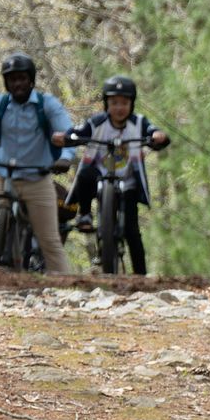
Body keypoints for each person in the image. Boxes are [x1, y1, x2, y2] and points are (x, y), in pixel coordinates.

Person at [0, 53, 83, 276]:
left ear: (31, 80)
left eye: (22, 78)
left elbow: (67, 133)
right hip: (4, 176)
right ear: (6, 83)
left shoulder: (47, 105)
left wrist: (66, 157)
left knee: (50, 241)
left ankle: (67, 288)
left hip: (38, 179)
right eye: (12, 79)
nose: (17, 84)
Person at [68, 76, 170, 276]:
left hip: (128, 182)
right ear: (106, 103)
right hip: (100, 178)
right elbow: (77, 132)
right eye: (114, 103)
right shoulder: (97, 123)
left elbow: (152, 131)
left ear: (131, 104)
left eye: (124, 103)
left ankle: (140, 275)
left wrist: (158, 135)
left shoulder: (138, 123)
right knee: (86, 173)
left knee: (132, 230)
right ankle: (86, 214)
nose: (119, 108)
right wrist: (66, 136)